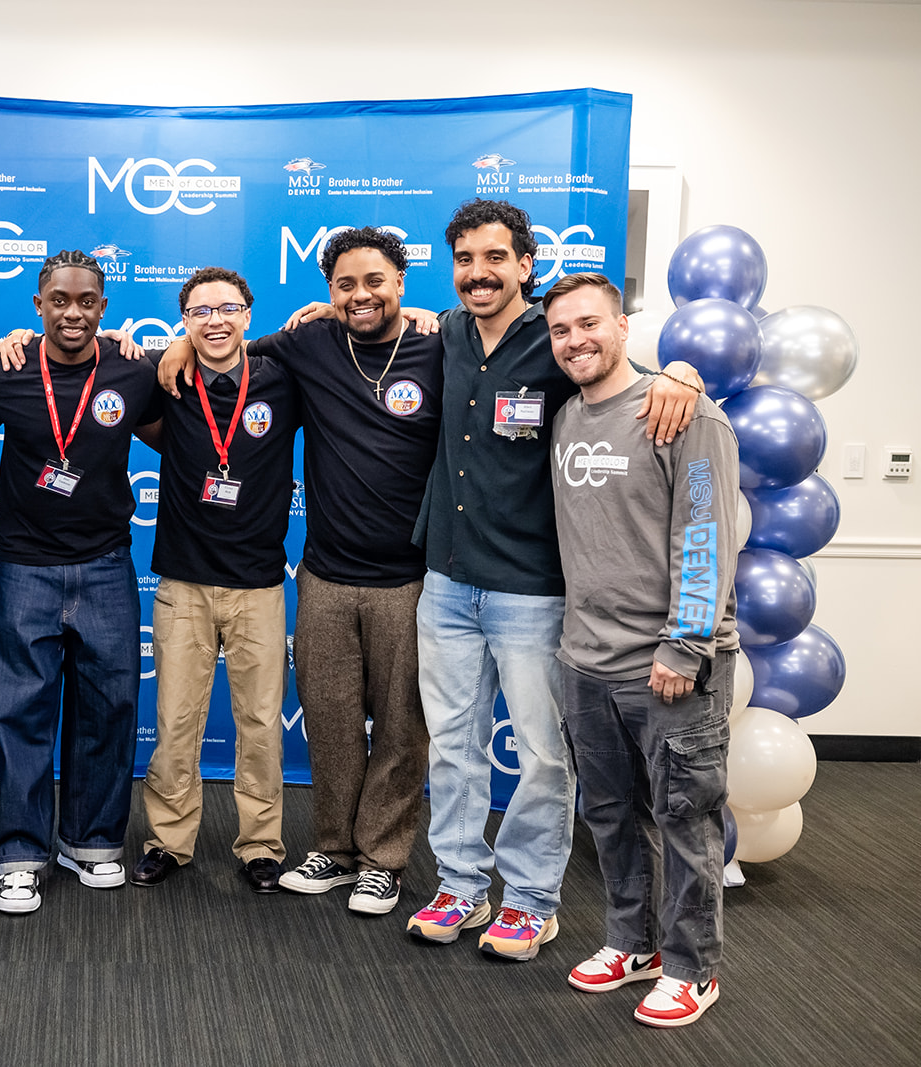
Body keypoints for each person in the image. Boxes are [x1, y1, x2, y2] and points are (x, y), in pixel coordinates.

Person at [405, 199, 701, 959]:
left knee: (541, 752)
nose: (478, 273)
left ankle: (531, 900)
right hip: (446, 580)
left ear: (525, 264)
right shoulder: (446, 332)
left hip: (532, 589)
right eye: (465, 259)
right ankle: (460, 885)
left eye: (495, 258)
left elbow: (625, 373)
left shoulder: (560, 338)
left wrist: (681, 373)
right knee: (453, 744)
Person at [157, 228, 443, 916]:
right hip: (323, 575)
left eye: (374, 281)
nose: (360, 295)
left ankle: (382, 859)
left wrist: (677, 372)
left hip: (408, 576)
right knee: (331, 721)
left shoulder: (439, 343)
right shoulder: (308, 343)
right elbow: (225, 346)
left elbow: (535, 343)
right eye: (345, 285)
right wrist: (179, 344)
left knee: (401, 728)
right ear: (329, 292)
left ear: (402, 283)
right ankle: (334, 849)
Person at [544, 272, 738, 1027]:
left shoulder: (685, 414)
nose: (576, 341)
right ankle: (633, 943)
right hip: (584, 659)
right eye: (561, 330)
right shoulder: (567, 417)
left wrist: (684, 645)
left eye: (590, 323)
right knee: (610, 815)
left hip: (667, 665)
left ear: (623, 326)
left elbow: (705, 536)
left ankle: (693, 967)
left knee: (686, 819)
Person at [0, 250, 164, 915]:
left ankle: (91, 840)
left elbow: (183, 428)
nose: (73, 313)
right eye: (59, 300)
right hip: (24, 567)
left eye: (86, 301)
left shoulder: (132, 370)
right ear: (38, 305)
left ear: (103, 308)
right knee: (21, 715)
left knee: (109, 709)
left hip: (106, 565)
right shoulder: (5, 369)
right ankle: (20, 854)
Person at [128, 267, 297, 895]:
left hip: (258, 584)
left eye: (227, 308)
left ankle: (261, 845)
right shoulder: (164, 377)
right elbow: (100, 351)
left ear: (248, 315)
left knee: (261, 723)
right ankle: (168, 842)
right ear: (184, 322)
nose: (215, 321)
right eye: (199, 312)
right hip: (184, 584)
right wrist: (174, 348)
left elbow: (333, 330)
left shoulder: (283, 377)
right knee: (175, 721)